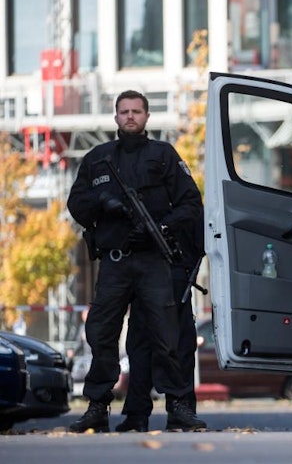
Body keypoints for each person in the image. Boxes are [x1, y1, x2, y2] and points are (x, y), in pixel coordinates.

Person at [66, 90, 206, 432]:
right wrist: (103, 203)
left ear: (146, 117)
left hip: (154, 262)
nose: (130, 116)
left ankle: (178, 406)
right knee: (101, 332)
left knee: (167, 336)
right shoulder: (97, 159)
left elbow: (190, 204)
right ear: (115, 117)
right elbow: (76, 204)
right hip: (114, 264)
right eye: (124, 111)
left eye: (136, 111)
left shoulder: (164, 156)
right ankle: (98, 407)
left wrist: (161, 227)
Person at [115, 210, 204, 432]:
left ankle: (178, 410)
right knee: (140, 346)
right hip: (147, 270)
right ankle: (142, 413)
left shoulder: (176, 183)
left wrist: (184, 266)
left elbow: (195, 220)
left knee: (177, 344)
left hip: (172, 270)